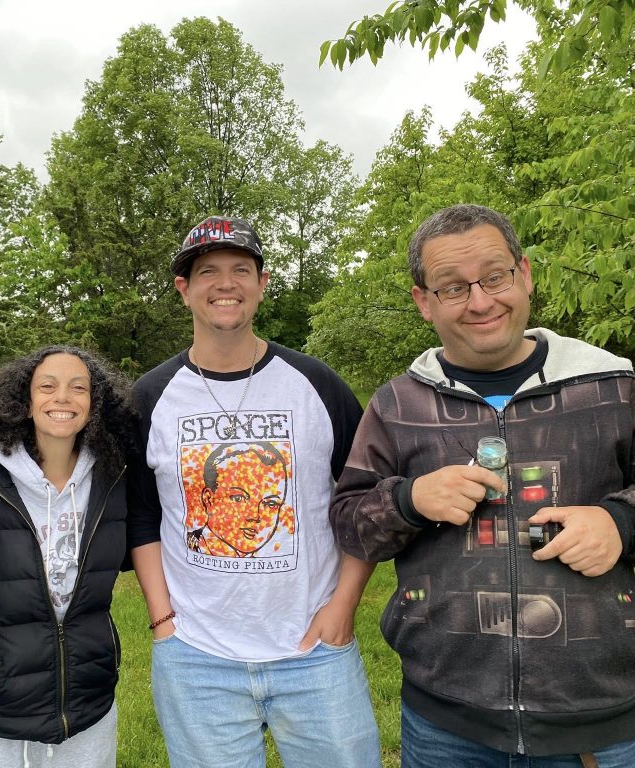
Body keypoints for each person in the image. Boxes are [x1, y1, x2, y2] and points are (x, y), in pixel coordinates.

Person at [330, 203, 635, 766]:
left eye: (495, 277)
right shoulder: (399, 404)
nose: (480, 301)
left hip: (603, 724)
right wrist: (408, 499)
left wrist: (620, 522)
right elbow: (350, 523)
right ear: (424, 301)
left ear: (524, 273)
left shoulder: (614, 385)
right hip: (446, 722)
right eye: (452, 287)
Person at [127, 215, 381, 767]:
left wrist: (344, 607)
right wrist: (163, 622)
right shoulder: (150, 397)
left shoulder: (316, 384)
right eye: (208, 271)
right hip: (197, 657)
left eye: (241, 269)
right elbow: (142, 517)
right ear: (183, 289)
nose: (226, 283)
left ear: (262, 283)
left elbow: (366, 505)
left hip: (315, 651)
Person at [0, 345, 136, 768]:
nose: (62, 397)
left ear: (94, 404)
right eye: (47, 386)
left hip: (87, 705)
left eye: (78, 388)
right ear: (24, 402)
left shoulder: (115, 474)